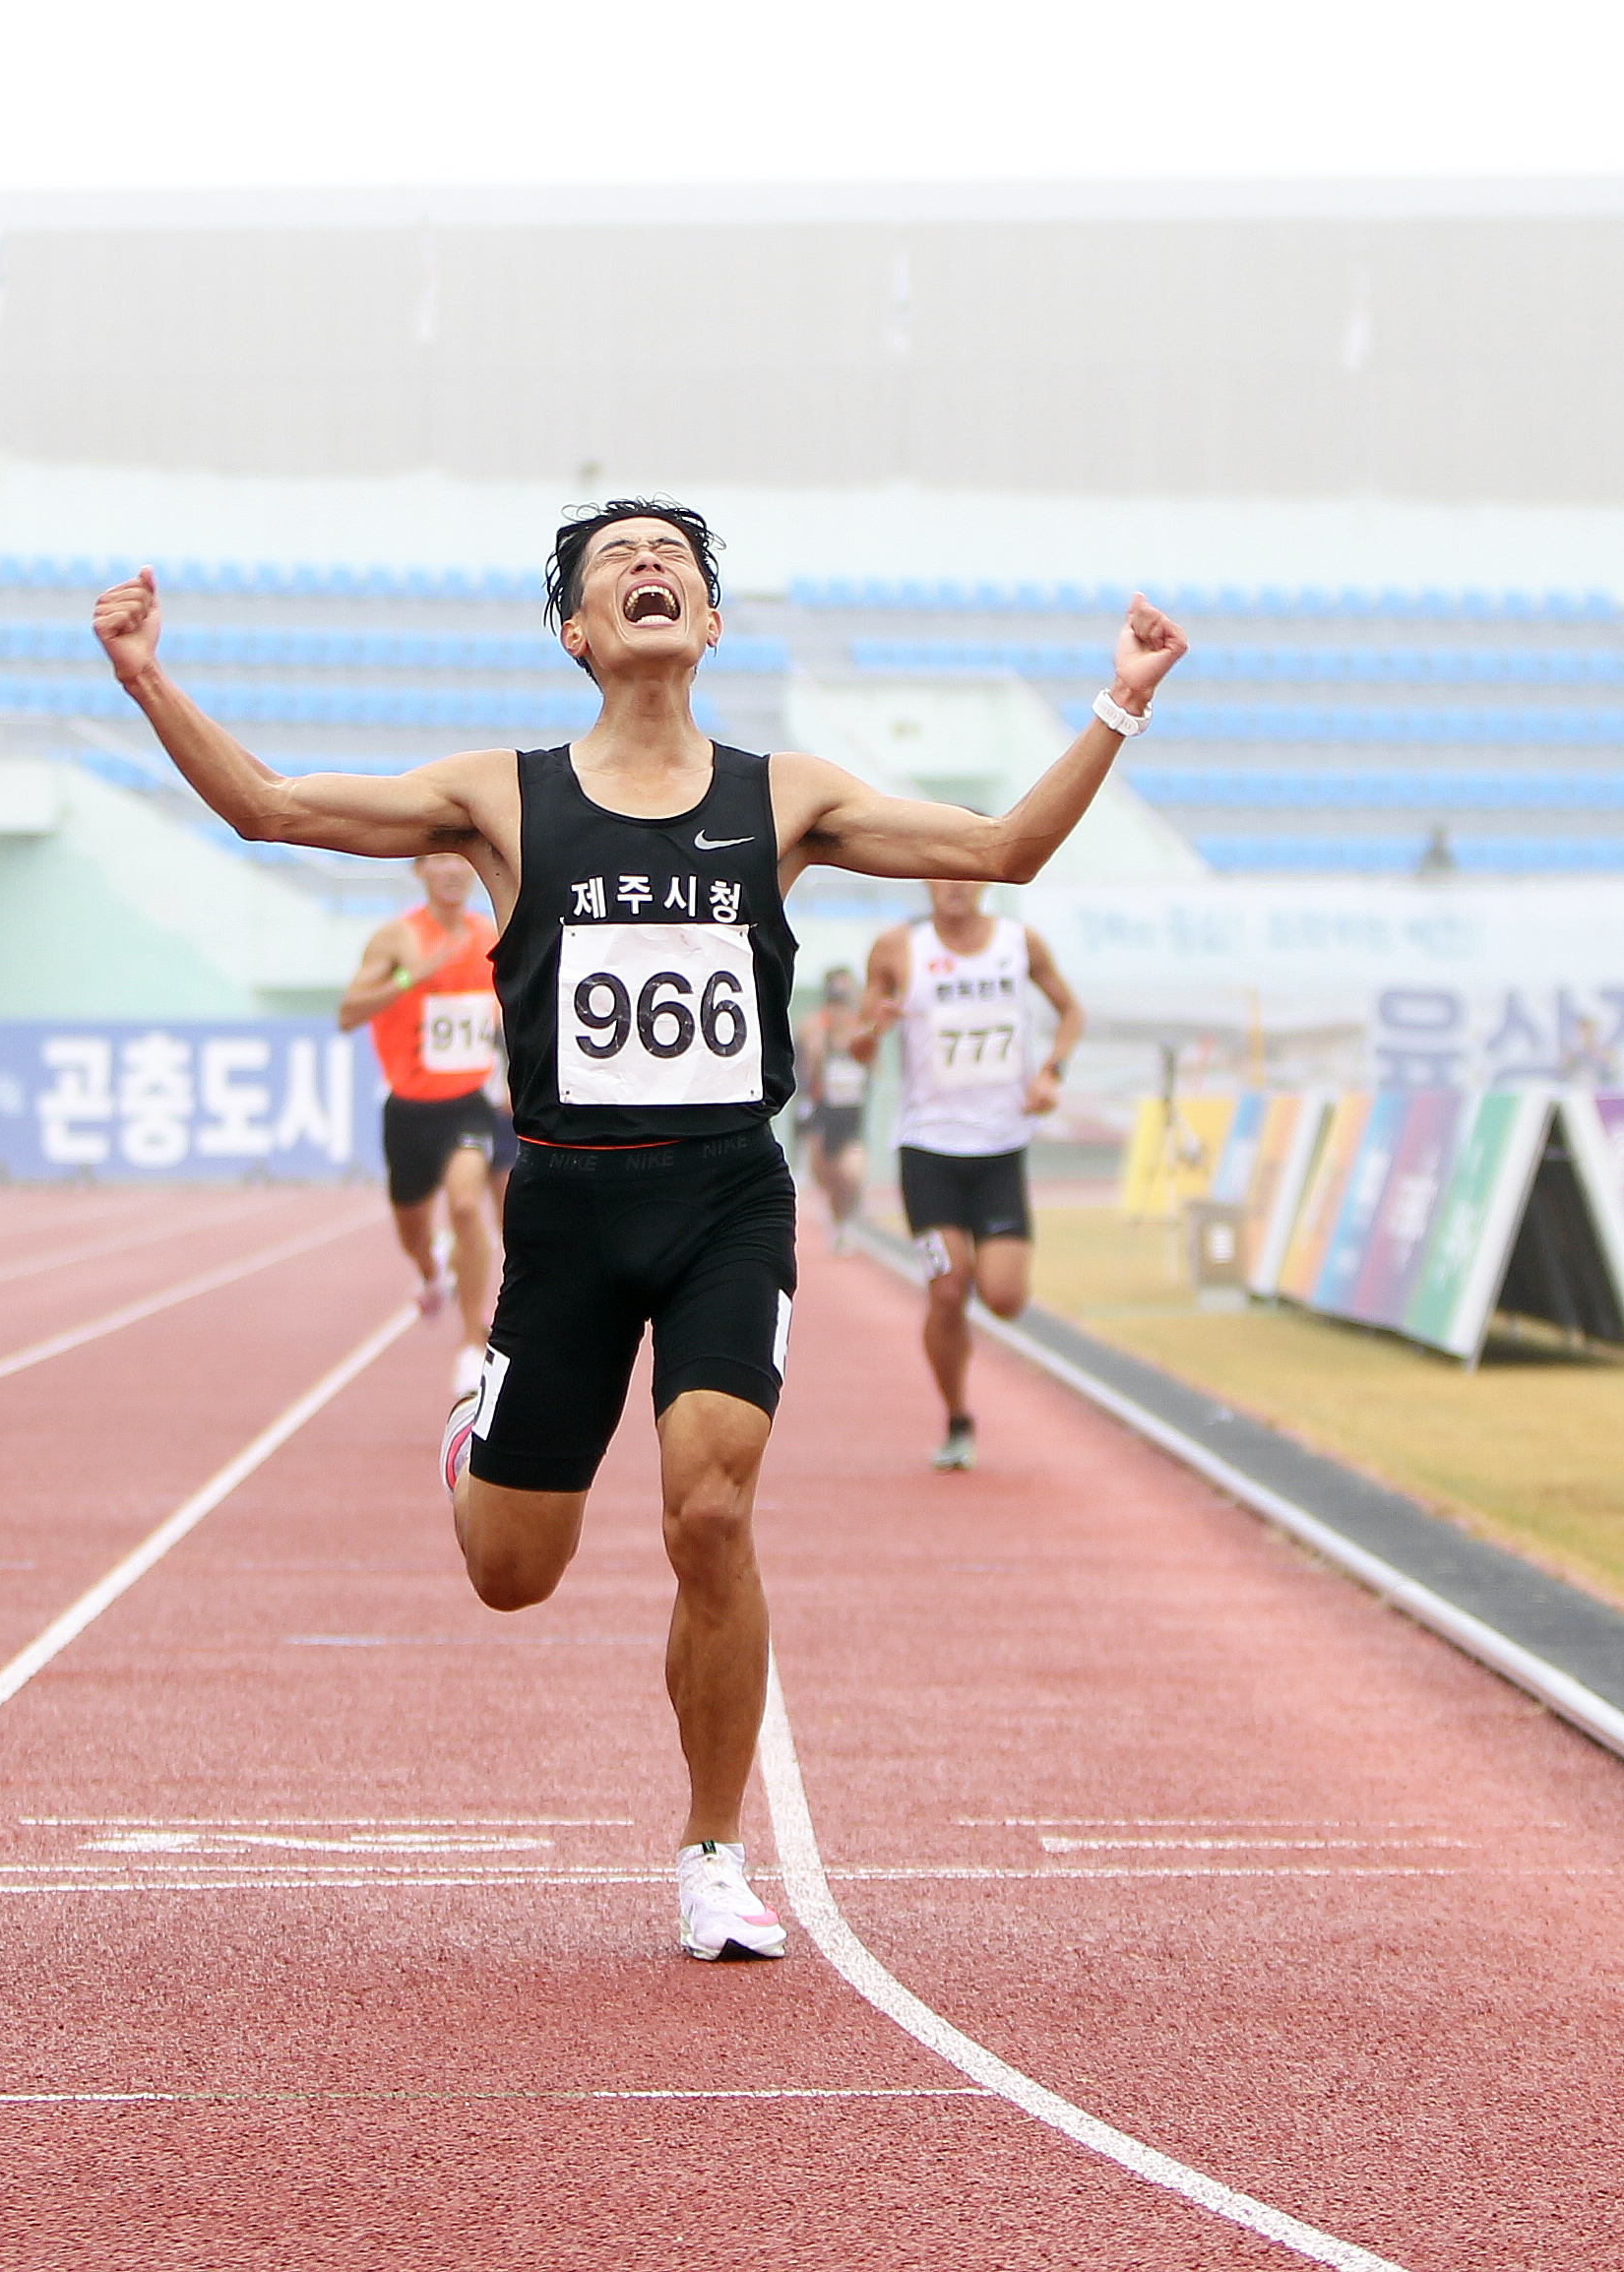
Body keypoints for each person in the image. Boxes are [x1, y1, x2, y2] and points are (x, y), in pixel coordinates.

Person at [93, 501, 1184, 1961]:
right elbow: (273, 810)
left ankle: (712, 1849)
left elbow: (1002, 849)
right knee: (511, 1573)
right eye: (619, 561)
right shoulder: (500, 796)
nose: (650, 566)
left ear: (711, 624)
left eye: (676, 555)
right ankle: (483, 1421)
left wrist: (1119, 697)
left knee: (710, 1511)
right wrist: (148, 678)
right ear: (577, 634)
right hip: (566, 1204)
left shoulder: (784, 797)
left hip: (727, 1194)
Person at [853, 880, 1084, 1471]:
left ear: (986, 879)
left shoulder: (1019, 943)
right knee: (949, 1285)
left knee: (1004, 1298)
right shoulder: (896, 948)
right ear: (927, 880)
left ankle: (960, 1351)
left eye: (968, 871)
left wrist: (1051, 1072)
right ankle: (957, 1416)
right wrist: (872, 1030)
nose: (955, 883)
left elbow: (1071, 1012)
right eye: (942, 870)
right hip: (928, 1151)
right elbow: (856, 1044)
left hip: (1001, 1147)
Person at [339, 852, 504, 1402]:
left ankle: (471, 1344)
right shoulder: (396, 940)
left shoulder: (490, 935)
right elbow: (349, 1013)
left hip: (469, 1102)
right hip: (410, 1109)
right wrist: (414, 976)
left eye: (463, 859)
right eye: (440, 860)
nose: (455, 870)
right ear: (421, 871)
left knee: (464, 1205)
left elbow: (505, 1016)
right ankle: (431, 1273)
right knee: (412, 1229)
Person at [794, 966, 870, 1247]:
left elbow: (873, 1068)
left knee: (850, 1174)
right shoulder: (815, 1032)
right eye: (834, 1005)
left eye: (844, 1005)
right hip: (824, 1117)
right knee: (826, 1178)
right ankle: (837, 1215)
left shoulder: (859, 1033)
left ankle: (844, 1222)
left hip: (851, 1118)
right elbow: (805, 1072)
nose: (839, 1013)